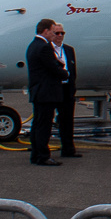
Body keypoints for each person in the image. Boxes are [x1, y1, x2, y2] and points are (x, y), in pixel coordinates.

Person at [25, 19, 68, 166]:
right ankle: (43, 155)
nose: (54, 35)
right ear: (45, 31)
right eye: (52, 31)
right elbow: (52, 68)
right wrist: (65, 73)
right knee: (44, 126)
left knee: (37, 124)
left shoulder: (32, 46)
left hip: (38, 91)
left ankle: (36, 154)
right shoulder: (44, 47)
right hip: (47, 92)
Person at [52, 26, 81, 159]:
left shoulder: (69, 50)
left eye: (62, 33)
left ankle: (68, 149)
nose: (59, 35)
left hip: (66, 89)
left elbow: (72, 69)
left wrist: (72, 86)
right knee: (47, 119)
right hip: (53, 88)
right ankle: (41, 149)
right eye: (57, 33)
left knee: (67, 120)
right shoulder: (47, 50)